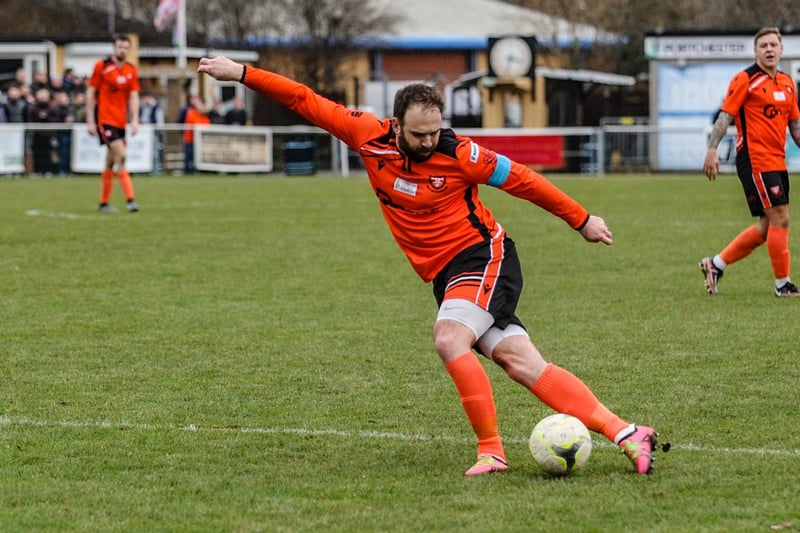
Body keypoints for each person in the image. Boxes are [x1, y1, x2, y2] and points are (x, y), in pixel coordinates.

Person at [198, 55, 666, 476]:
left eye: (434, 131)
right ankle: (627, 433)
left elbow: (524, 181)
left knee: (448, 337)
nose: (428, 141)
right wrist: (240, 73)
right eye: (418, 133)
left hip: (484, 258)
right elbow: (303, 98)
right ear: (395, 124)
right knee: (521, 362)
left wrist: (581, 219)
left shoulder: (460, 153)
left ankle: (492, 451)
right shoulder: (366, 134)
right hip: (447, 275)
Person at [701, 27, 800, 297]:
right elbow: (725, 117)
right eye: (763, 45)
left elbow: (795, 126)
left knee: (768, 226)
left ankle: (715, 264)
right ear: (756, 51)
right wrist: (712, 149)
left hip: (777, 161)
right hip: (755, 160)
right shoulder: (745, 79)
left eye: (773, 45)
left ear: (781, 49)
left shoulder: (788, 84)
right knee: (781, 217)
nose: (769, 49)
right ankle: (783, 284)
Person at [86, 33, 140, 213]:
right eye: (119, 47)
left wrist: (135, 119)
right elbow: (90, 93)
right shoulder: (102, 66)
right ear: (114, 48)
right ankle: (131, 200)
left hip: (120, 122)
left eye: (125, 47)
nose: (122, 50)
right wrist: (90, 120)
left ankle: (103, 203)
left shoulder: (131, 70)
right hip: (105, 120)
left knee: (110, 163)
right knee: (122, 155)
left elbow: (133, 96)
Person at [182, 95, 210, 174]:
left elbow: (207, 124)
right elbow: (195, 123)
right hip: (190, 139)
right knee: (189, 156)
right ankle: (187, 171)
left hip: (200, 141)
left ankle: (198, 170)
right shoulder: (191, 112)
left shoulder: (204, 116)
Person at [139, 91, 165, 174]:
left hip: (154, 134)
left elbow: (160, 122)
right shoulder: (141, 108)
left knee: (156, 151)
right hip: (144, 134)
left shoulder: (156, 108)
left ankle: (157, 169)